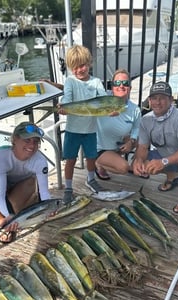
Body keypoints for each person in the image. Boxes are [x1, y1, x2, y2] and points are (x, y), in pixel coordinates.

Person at [58, 45, 107, 204]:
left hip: (90, 129)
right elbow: (67, 98)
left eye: (83, 65)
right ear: (71, 68)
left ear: (89, 63)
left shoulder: (96, 82)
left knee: (91, 157)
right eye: (76, 67)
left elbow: (104, 99)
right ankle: (68, 187)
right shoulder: (70, 81)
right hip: (73, 129)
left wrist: (110, 109)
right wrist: (64, 107)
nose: (80, 69)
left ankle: (91, 179)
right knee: (70, 160)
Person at [0, 121, 51, 242]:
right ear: (15, 139)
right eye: (27, 140)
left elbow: (44, 191)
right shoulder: (0, 156)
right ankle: (1, 220)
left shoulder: (40, 161)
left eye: (36, 141)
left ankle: (15, 219)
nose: (32, 146)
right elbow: (0, 194)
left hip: (24, 185)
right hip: (4, 186)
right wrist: (9, 216)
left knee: (27, 188)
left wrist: (48, 208)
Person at [132, 81, 178, 214]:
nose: (158, 102)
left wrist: (163, 162)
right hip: (165, 156)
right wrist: (138, 160)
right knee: (140, 163)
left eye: (162, 98)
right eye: (154, 98)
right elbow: (143, 147)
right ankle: (172, 177)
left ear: (171, 100)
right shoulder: (146, 120)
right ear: (149, 101)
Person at [95, 68, 142, 179]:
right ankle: (99, 164)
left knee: (142, 140)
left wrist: (131, 141)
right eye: (117, 83)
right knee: (123, 168)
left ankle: (136, 165)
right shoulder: (102, 100)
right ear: (112, 88)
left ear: (130, 88)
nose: (121, 86)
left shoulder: (135, 109)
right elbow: (81, 94)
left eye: (125, 83)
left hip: (117, 144)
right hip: (99, 147)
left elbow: (136, 129)